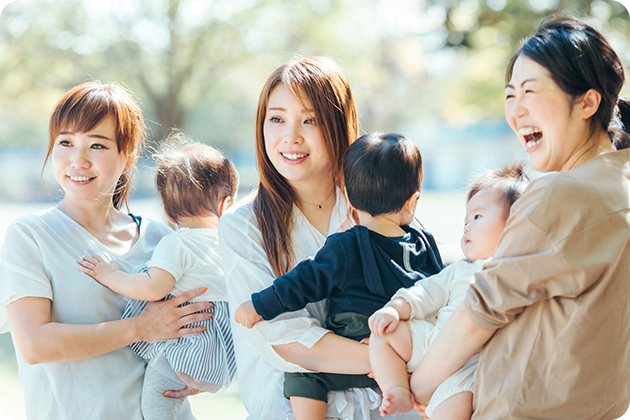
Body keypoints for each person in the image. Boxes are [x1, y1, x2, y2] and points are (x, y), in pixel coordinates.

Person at [410, 16, 630, 419]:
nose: (517, 110)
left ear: (587, 101)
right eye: (511, 95)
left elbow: (480, 311)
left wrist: (418, 388)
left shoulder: (561, 193)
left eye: (531, 92)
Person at [219, 57, 421, 420]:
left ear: (339, 125)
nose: (290, 137)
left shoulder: (380, 206)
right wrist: (395, 359)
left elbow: (421, 292)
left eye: (309, 120)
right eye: (277, 119)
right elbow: (284, 336)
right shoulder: (244, 224)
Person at [0, 81, 212, 420]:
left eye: (97, 145)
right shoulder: (30, 236)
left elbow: (204, 317)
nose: (78, 160)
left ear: (127, 158)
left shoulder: (162, 238)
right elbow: (35, 344)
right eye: (65, 142)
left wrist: (202, 370)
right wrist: (142, 328)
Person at [234, 133, 444, 420]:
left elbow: (302, 282)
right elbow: (441, 292)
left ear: (348, 197)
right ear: (412, 202)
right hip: (408, 344)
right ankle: (405, 391)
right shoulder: (425, 242)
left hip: (355, 345)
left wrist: (258, 305)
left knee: (302, 375)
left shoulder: (346, 245)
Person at [78, 133, 238, 420]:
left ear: (168, 212)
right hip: (223, 355)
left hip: (190, 348)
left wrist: (110, 275)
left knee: (156, 402)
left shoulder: (177, 243)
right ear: (227, 205)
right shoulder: (230, 246)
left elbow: (153, 288)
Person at [368, 162, 529, 419]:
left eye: (477, 217)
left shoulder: (517, 271)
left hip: (472, 368)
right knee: (382, 334)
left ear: (515, 225)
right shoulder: (459, 271)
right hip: (434, 343)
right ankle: (397, 389)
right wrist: (393, 310)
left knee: (453, 410)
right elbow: (424, 291)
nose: (466, 227)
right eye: (465, 220)